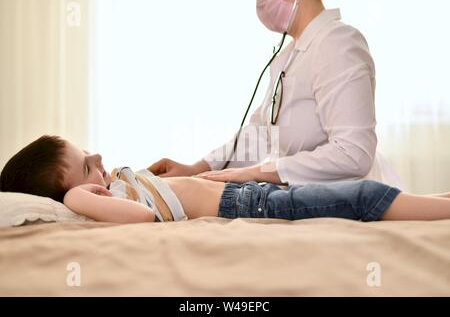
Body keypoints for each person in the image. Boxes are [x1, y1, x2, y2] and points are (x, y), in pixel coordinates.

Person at [148, 0, 403, 189]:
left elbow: (353, 154)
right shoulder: (287, 57)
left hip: (347, 204)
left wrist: (261, 172)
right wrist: (195, 169)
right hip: (304, 201)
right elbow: (260, 136)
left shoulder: (337, 43)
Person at [1, 135, 450, 224]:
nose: (97, 155)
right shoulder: (100, 204)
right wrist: (81, 197)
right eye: (85, 165)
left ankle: (435, 200)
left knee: (353, 195)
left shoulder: (112, 182)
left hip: (244, 193)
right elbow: (140, 218)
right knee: (358, 196)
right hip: (248, 205)